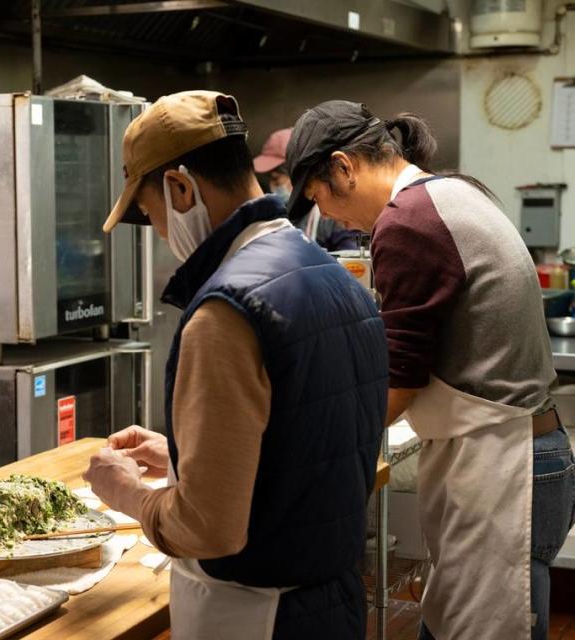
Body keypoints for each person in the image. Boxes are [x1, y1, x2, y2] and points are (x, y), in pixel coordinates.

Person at [82, 90, 388, 639]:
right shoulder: (333, 275)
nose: (157, 233)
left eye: (149, 213)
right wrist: (187, 456)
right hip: (335, 602)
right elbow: (305, 442)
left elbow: (208, 528)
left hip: (256, 617)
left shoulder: (226, 310)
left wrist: (124, 490)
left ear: (180, 188)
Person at [285, 100, 575, 640]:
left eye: (319, 199)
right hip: (518, 455)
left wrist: (312, 447)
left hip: (507, 467)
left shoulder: (407, 222)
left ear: (344, 167)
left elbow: (402, 373)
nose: (330, 218)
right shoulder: (452, 191)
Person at [254, 126, 357, 252]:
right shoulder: (274, 214)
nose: (272, 186)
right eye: (270, 179)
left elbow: (352, 261)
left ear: (296, 175)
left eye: (276, 179)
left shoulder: (333, 215)